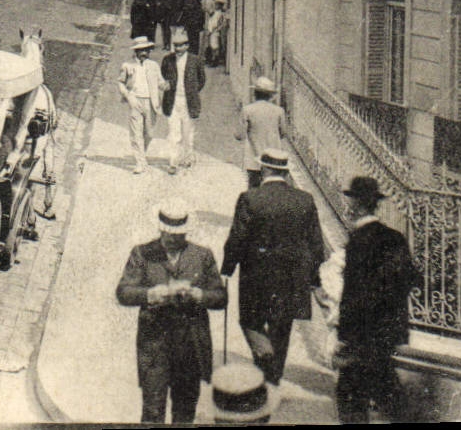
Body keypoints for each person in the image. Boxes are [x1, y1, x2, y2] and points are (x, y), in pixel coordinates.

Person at [220, 149, 328, 389]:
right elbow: (316, 244)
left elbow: (238, 237)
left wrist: (227, 267)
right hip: (292, 278)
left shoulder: (250, 198)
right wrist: (314, 277)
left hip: (256, 276)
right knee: (282, 327)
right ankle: (272, 378)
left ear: (264, 169)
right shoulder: (305, 200)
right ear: (286, 171)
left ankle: (265, 360)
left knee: (251, 321)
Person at [115, 204, 228, 424]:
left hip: (190, 347)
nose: (173, 239)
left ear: (185, 232)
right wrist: (151, 294)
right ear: (161, 230)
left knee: (185, 412)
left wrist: (198, 295)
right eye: (169, 234)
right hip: (155, 346)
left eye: (178, 235)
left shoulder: (202, 255)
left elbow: (220, 297)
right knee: (153, 411)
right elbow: (123, 292)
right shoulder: (142, 253)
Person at [332, 176, 416, 423]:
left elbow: (354, 294)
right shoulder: (396, 237)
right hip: (389, 331)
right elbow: (410, 278)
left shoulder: (359, 241)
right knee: (386, 392)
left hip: (362, 333)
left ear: (356, 204)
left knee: (350, 396)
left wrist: (344, 335)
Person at [159, 26, 205, 174]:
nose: (178, 48)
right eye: (176, 45)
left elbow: (202, 80)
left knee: (188, 133)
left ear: (187, 45)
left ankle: (187, 157)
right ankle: (173, 161)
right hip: (172, 101)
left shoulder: (195, 60)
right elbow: (162, 76)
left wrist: (192, 92)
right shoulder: (167, 60)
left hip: (188, 101)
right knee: (173, 133)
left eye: (181, 45)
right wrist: (165, 85)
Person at [118, 35, 163, 174]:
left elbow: (160, 81)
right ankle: (140, 162)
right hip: (135, 100)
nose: (144, 53)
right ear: (135, 52)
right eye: (140, 50)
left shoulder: (154, 65)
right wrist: (128, 96)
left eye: (146, 50)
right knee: (136, 133)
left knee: (149, 133)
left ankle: (141, 155)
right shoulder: (128, 66)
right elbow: (120, 82)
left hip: (151, 102)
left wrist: (166, 85)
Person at [234, 77, 287, 189]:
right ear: (271, 95)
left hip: (254, 160)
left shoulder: (247, 110)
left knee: (254, 190)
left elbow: (240, 135)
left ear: (255, 93)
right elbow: (283, 133)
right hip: (274, 160)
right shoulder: (279, 111)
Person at [205, 0, 227, 68]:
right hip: (212, 31)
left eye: (217, 5)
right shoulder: (215, 13)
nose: (216, 6)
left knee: (215, 46)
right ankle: (212, 59)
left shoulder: (219, 13)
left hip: (215, 31)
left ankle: (215, 61)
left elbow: (216, 23)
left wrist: (212, 30)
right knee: (212, 46)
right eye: (216, 4)